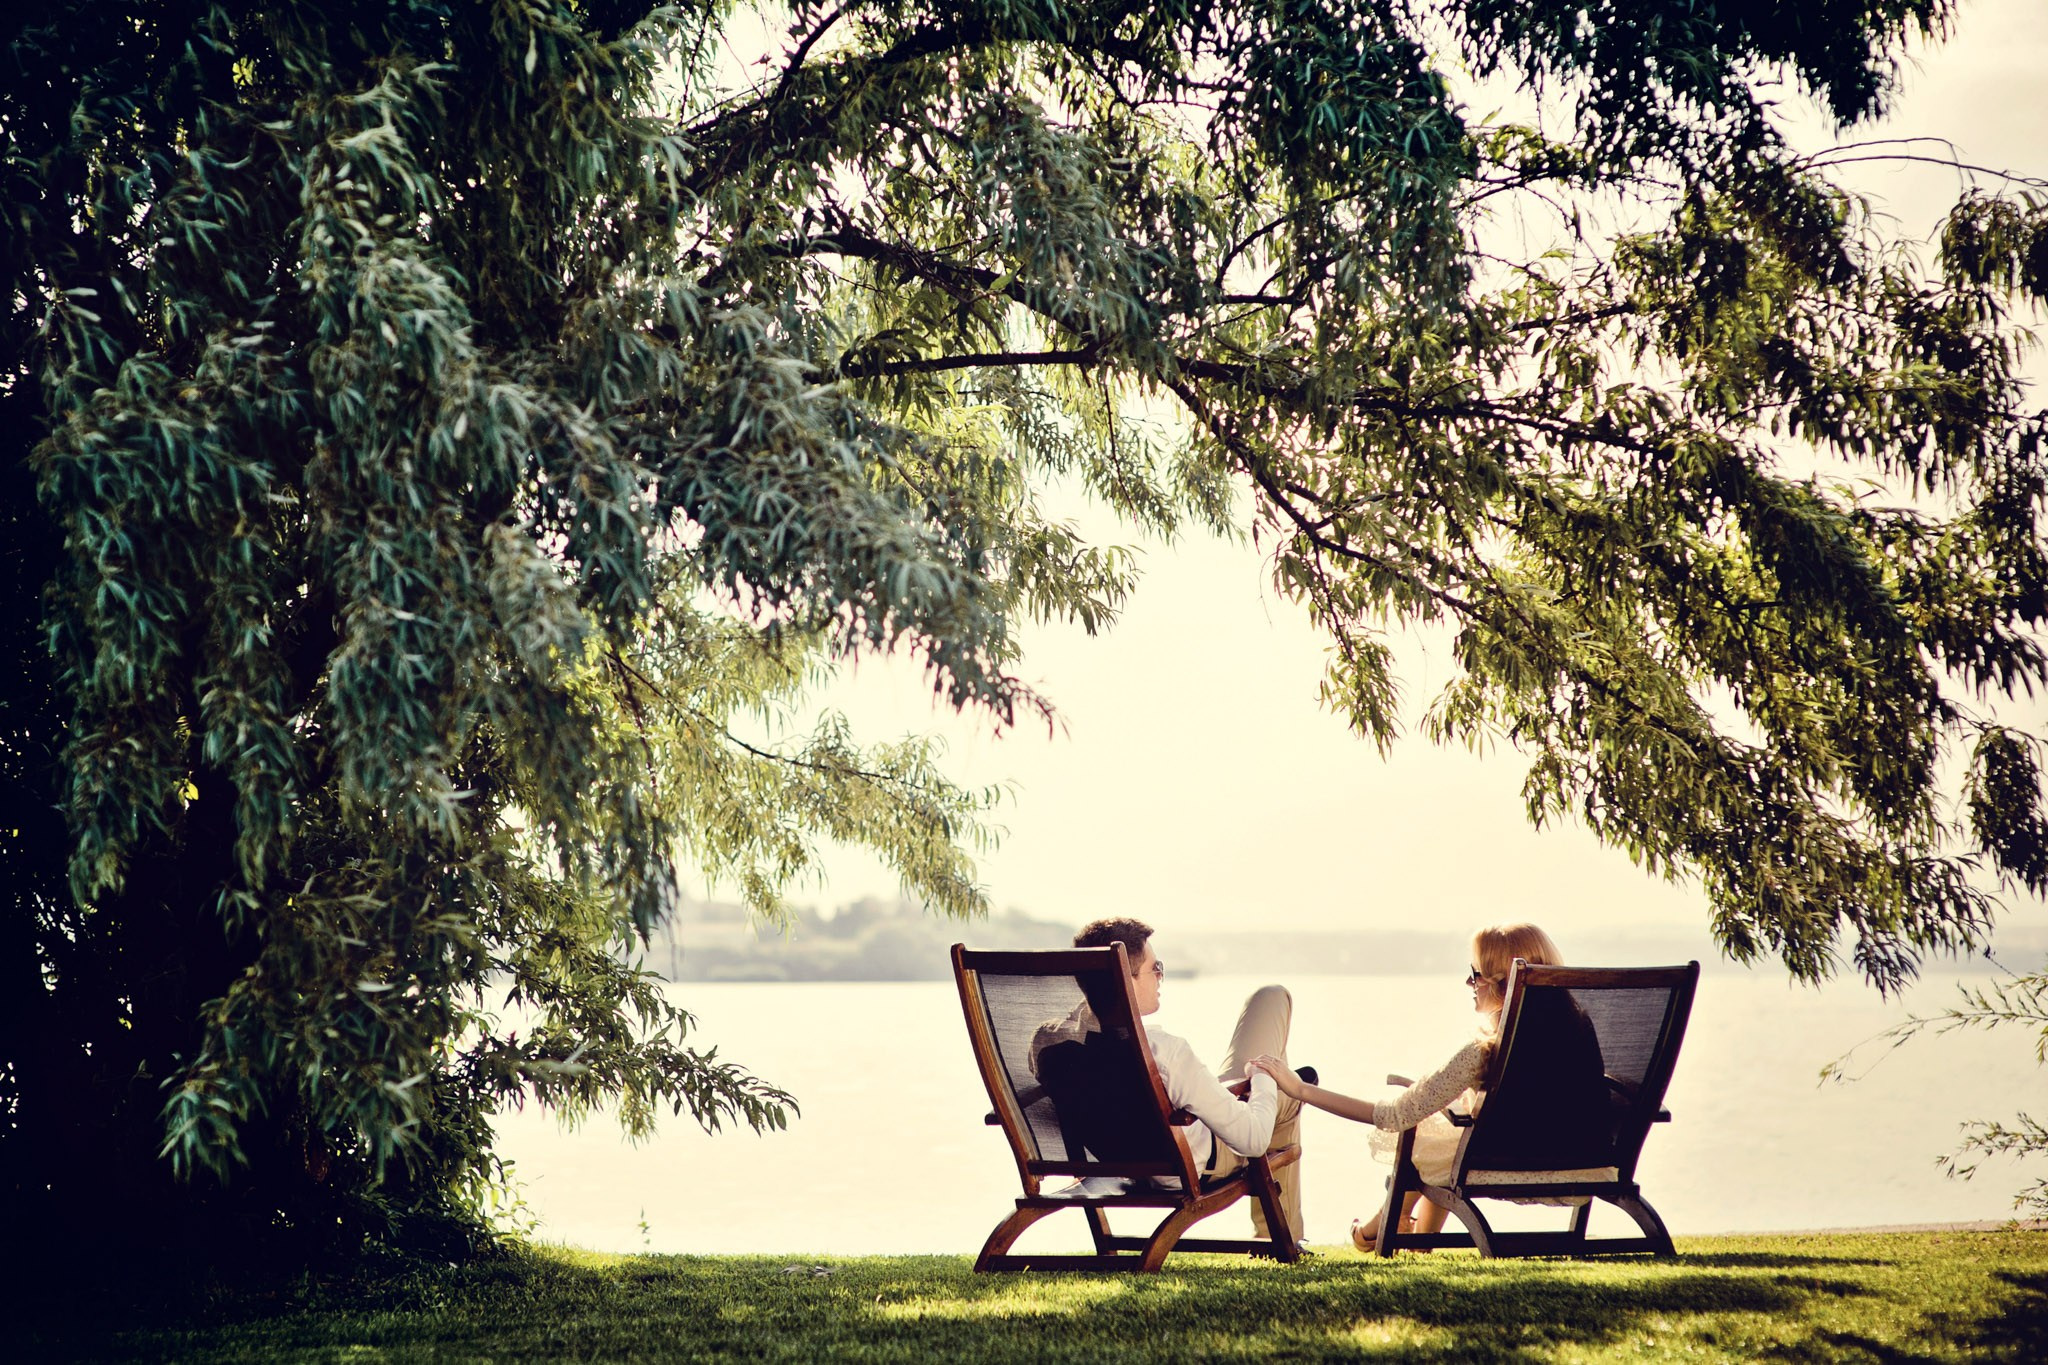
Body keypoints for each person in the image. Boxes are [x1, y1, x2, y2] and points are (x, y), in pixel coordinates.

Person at [1249, 921, 1599, 1252]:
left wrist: (1300, 1089)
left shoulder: (1486, 1050)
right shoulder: (1580, 1029)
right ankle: (1415, 1233)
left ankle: (1375, 1229)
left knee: (1421, 1132)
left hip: (1507, 1159)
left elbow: (1392, 1115)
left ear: (1501, 984)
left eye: (1475, 974)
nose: (1468, 983)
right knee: (1442, 1131)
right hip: (1585, 1158)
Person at [1030, 917, 1304, 1241]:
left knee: (1270, 1005)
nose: (1160, 976)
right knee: (1288, 1080)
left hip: (1127, 1156)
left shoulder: (1048, 1044)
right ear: (1126, 981)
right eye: (1154, 968)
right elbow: (1253, 1140)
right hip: (1193, 1161)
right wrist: (1263, 1078)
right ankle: (1282, 1237)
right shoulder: (1164, 1054)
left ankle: (1277, 1234)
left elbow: (1087, 1033)